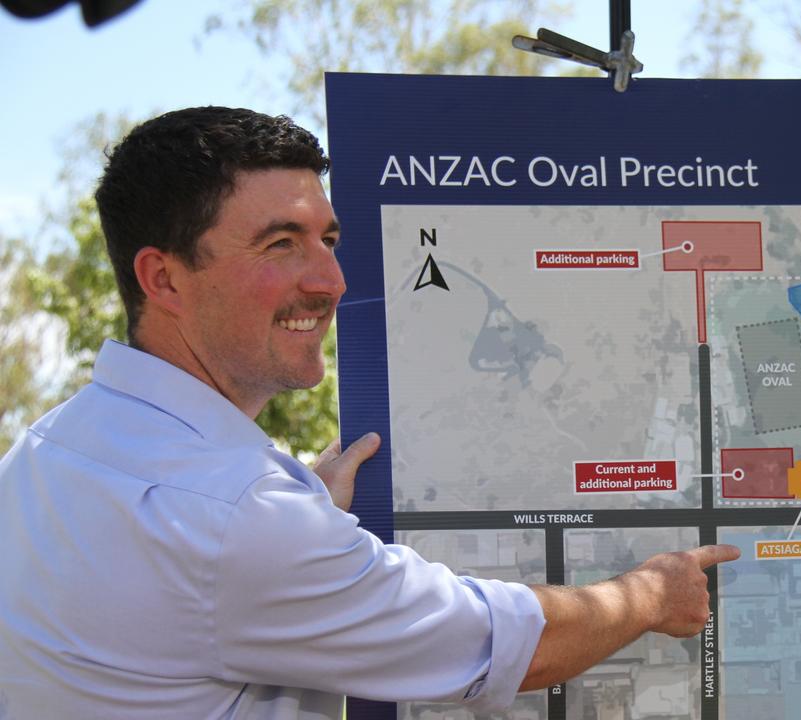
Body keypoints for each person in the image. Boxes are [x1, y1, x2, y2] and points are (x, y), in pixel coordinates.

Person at [0, 106, 739, 719]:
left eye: (327, 239)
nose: (332, 281)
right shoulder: (237, 518)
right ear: (162, 277)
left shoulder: (45, 452)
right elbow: (498, 646)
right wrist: (649, 595)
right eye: (280, 244)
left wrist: (301, 507)